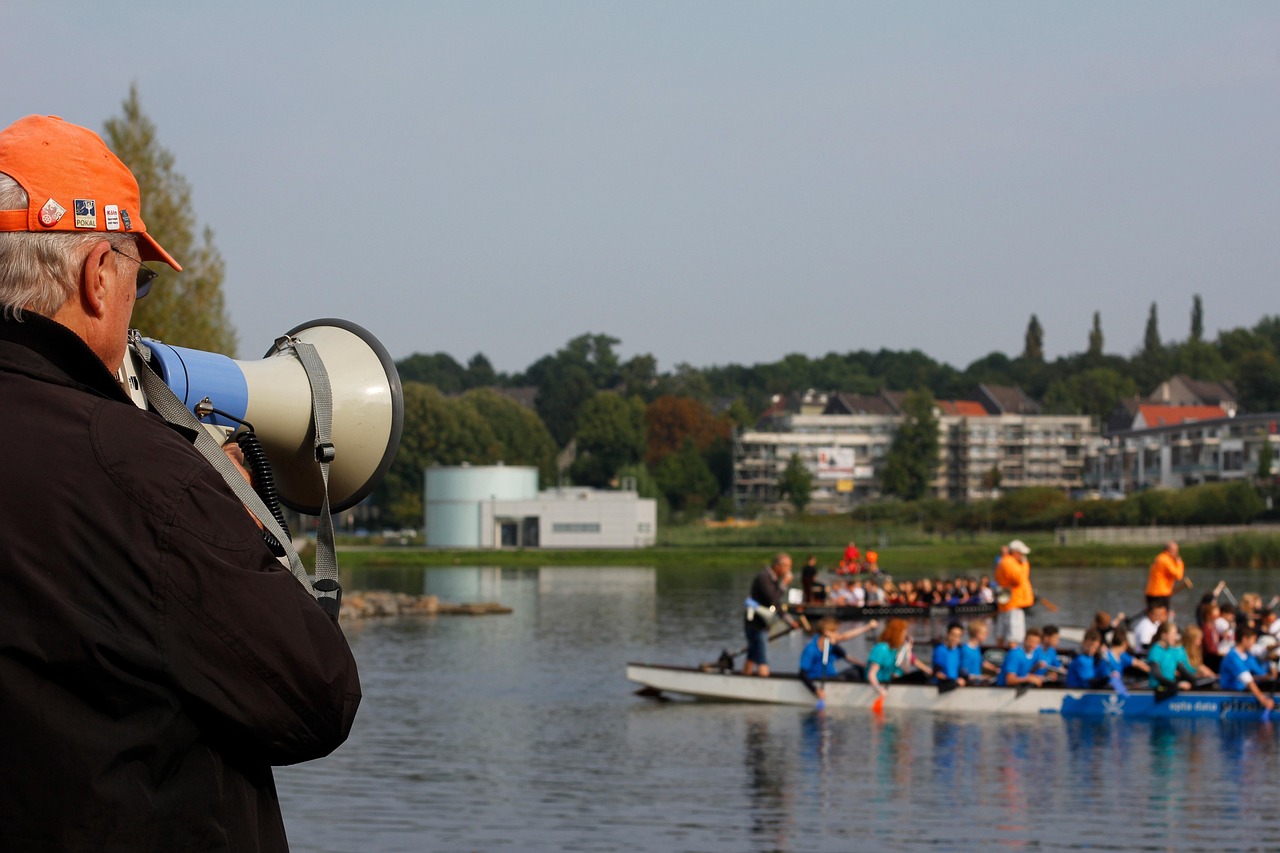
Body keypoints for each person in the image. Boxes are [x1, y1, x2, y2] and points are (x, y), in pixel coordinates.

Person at [0, 115, 361, 851]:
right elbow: (317, 696)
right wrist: (225, 505)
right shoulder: (140, 473)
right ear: (97, 275)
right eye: (140, 280)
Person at [742, 553, 798, 677]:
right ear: (778, 566)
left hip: (760, 624)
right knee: (763, 659)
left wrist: (789, 621)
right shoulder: (764, 578)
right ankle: (764, 686)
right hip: (755, 625)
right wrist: (784, 584)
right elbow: (772, 599)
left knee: (752, 655)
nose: (789, 570)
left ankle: (744, 678)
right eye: (787, 566)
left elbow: (776, 605)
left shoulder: (772, 580)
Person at [798, 617, 879, 702]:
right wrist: (815, 690)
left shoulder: (831, 645)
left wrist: (867, 666)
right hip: (818, 680)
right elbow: (802, 674)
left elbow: (849, 658)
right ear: (827, 632)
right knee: (854, 673)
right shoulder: (811, 649)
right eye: (835, 631)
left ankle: (873, 689)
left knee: (860, 669)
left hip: (832, 677)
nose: (837, 633)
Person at [867, 618, 932, 698]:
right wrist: (879, 689)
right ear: (896, 634)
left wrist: (908, 649)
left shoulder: (897, 649)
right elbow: (871, 674)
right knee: (919, 675)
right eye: (903, 633)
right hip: (880, 682)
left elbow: (906, 669)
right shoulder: (881, 648)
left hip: (890, 680)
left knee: (920, 675)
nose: (905, 636)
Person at [1218, 625, 1276, 711]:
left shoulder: (1248, 656)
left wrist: (1272, 667)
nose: (1254, 643)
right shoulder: (1232, 657)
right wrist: (1264, 700)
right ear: (1244, 639)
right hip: (1232, 691)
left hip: (1244, 689)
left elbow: (1262, 674)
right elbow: (1248, 680)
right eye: (1253, 640)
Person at [994, 539, 1035, 648]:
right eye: (1021, 554)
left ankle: (1003, 655)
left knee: (1003, 635)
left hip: (1009, 604)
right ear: (1015, 552)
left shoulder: (1005, 561)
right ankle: (1012, 659)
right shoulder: (1009, 562)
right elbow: (1020, 579)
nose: (1023, 556)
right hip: (1013, 604)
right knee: (1014, 637)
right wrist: (1024, 563)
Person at [1146, 622, 1195, 692]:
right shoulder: (1155, 651)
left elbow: (1183, 670)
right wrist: (1177, 685)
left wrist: (1197, 680)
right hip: (1159, 689)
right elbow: (1157, 675)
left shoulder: (1171, 651)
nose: (1175, 637)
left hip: (1170, 687)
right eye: (1173, 634)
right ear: (1164, 635)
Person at [1146, 541, 1189, 610]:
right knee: (1161, 616)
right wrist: (1179, 562)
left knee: (1154, 615)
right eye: (1175, 550)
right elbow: (1178, 575)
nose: (1177, 553)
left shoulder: (1159, 558)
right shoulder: (1166, 560)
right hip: (1160, 593)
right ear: (1168, 550)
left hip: (1152, 592)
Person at [959, 620, 999, 685]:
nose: (986, 636)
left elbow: (982, 663)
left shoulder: (977, 648)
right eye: (984, 633)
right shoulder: (965, 650)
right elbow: (964, 673)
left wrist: (996, 669)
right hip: (969, 686)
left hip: (976, 684)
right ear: (977, 633)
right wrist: (981, 677)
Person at [932, 622, 968, 689]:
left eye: (958, 636)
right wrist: (954, 681)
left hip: (954, 686)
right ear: (947, 634)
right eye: (953, 635)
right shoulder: (940, 650)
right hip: (943, 686)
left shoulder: (958, 651)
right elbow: (938, 674)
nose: (955, 639)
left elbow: (961, 671)